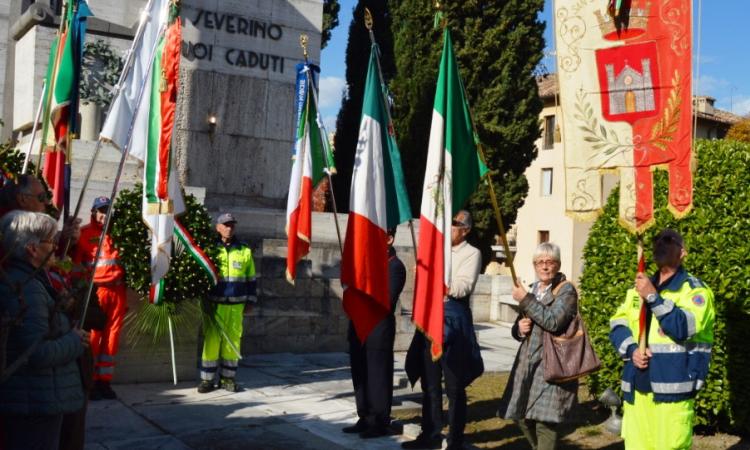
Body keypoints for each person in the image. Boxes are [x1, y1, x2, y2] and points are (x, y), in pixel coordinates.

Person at [609, 229, 714, 450]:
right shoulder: (638, 288)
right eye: (656, 240)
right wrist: (632, 351)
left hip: (673, 393)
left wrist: (652, 297)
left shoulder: (695, 290)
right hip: (637, 389)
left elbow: (684, 327)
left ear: (683, 252)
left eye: (668, 240)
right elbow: (618, 323)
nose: (660, 244)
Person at [0, 211, 88, 450]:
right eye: (50, 240)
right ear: (32, 249)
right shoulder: (28, 289)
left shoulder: (32, 280)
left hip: (34, 398)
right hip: (33, 403)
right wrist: (74, 340)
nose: (55, 245)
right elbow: (37, 353)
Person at [403, 210, 484, 450]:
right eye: (449, 223)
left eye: (456, 224)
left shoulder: (472, 253)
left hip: (453, 321)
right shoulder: (436, 250)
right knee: (430, 383)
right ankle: (430, 434)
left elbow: (463, 286)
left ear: (466, 230)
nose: (451, 228)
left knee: (454, 385)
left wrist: (437, 281)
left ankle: (455, 439)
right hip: (430, 318)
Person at [497, 242, 579, 450]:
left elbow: (553, 321)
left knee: (545, 423)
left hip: (552, 364)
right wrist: (518, 328)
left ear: (558, 264)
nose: (544, 266)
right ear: (534, 265)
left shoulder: (566, 290)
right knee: (521, 415)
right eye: (540, 262)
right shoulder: (534, 289)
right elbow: (522, 323)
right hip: (528, 364)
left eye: (549, 262)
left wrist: (525, 298)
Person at [342, 228, 407, 438]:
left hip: (378, 329)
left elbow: (386, 301)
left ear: (389, 238)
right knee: (360, 373)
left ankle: (379, 421)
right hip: (359, 326)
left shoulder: (395, 266)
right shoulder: (366, 262)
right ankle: (365, 416)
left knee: (377, 375)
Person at [71, 196, 126, 400]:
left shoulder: (121, 234)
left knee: (112, 338)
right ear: (93, 212)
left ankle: (104, 381)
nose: (104, 215)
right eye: (101, 211)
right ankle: (90, 381)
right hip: (96, 292)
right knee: (94, 337)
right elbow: (75, 267)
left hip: (118, 291)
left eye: (107, 211)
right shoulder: (84, 235)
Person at [198, 212, 257, 393]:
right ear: (218, 228)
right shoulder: (210, 249)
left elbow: (251, 279)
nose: (229, 228)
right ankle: (207, 380)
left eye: (231, 225)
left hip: (236, 306)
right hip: (214, 305)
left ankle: (228, 379)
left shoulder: (244, 250)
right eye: (225, 225)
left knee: (233, 343)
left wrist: (251, 301)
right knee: (212, 342)